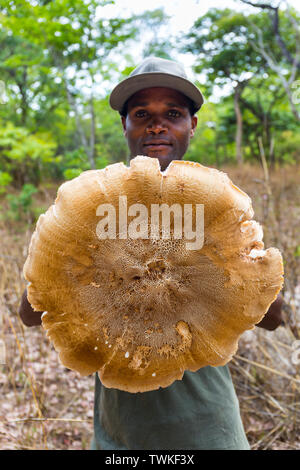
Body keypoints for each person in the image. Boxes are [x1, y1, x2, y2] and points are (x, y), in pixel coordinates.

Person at [18, 57, 284, 450]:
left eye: (172, 114)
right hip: (118, 432)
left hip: (207, 431)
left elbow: (272, 316)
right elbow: (29, 312)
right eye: (142, 113)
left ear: (191, 124)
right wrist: (63, 261)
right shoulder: (96, 206)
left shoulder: (213, 206)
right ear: (124, 124)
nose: (156, 125)